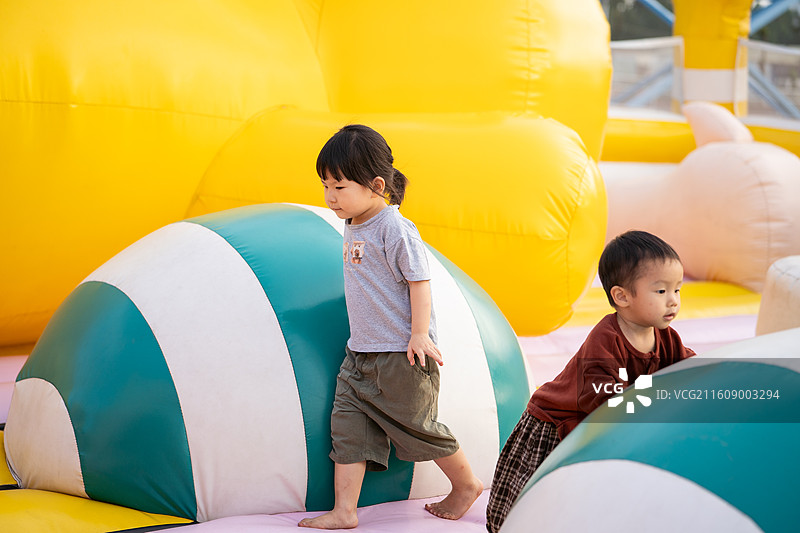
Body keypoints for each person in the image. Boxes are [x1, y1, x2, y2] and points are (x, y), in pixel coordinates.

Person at [299, 124, 483, 529]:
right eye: (325, 185)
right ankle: (345, 511)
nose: (330, 197)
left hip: (402, 355)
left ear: (376, 184)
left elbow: (419, 281)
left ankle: (466, 483)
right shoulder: (353, 222)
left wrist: (418, 334)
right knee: (347, 429)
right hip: (360, 353)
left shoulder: (394, 227)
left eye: (340, 187)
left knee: (419, 427)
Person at [485, 230, 696, 533]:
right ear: (621, 296)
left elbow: (688, 367)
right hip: (554, 427)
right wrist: (658, 396)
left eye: (678, 290)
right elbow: (602, 397)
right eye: (661, 292)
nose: (673, 301)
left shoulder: (665, 337)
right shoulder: (606, 339)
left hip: (603, 429)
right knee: (525, 508)